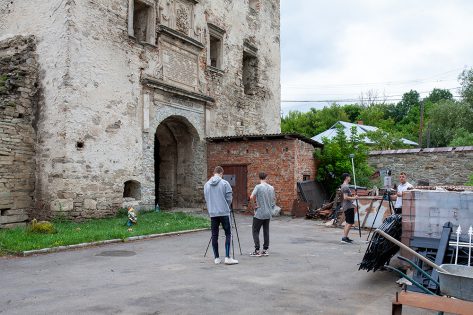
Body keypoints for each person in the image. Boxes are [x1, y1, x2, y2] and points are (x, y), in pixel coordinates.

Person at [204, 166, 239, 265]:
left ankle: (217, 258)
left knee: (214, 235)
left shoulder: (206, 185)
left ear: (214, 172)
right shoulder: (225, 183)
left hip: (213, 213)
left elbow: (206, 199)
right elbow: (229, 198)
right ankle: (227, 257)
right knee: (228, 233)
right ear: (221, 173)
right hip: (224, 212)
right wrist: (225, 206)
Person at [249, 172, 275, 257]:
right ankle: (265, 250)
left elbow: (251, 197)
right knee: (266, 231)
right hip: (268, 212)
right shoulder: (271, 188)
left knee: (255, 230)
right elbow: (273, 200)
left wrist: (254, 206)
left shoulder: (258, 187)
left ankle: (257, 250)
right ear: (266, 177)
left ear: (259, 178)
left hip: (260, 212)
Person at [340, 173, 358, 244]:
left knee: (348, 222)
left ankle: (345, 237)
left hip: (348, 206)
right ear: (346, 177)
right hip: (348, 206)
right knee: (350, 222)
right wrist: (354, 197)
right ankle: (344, 238)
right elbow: (345, 197)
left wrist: (352, 196)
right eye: (349, 177)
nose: (350, 178)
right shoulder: (345, 187)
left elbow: (347, 196)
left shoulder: (345, 186)